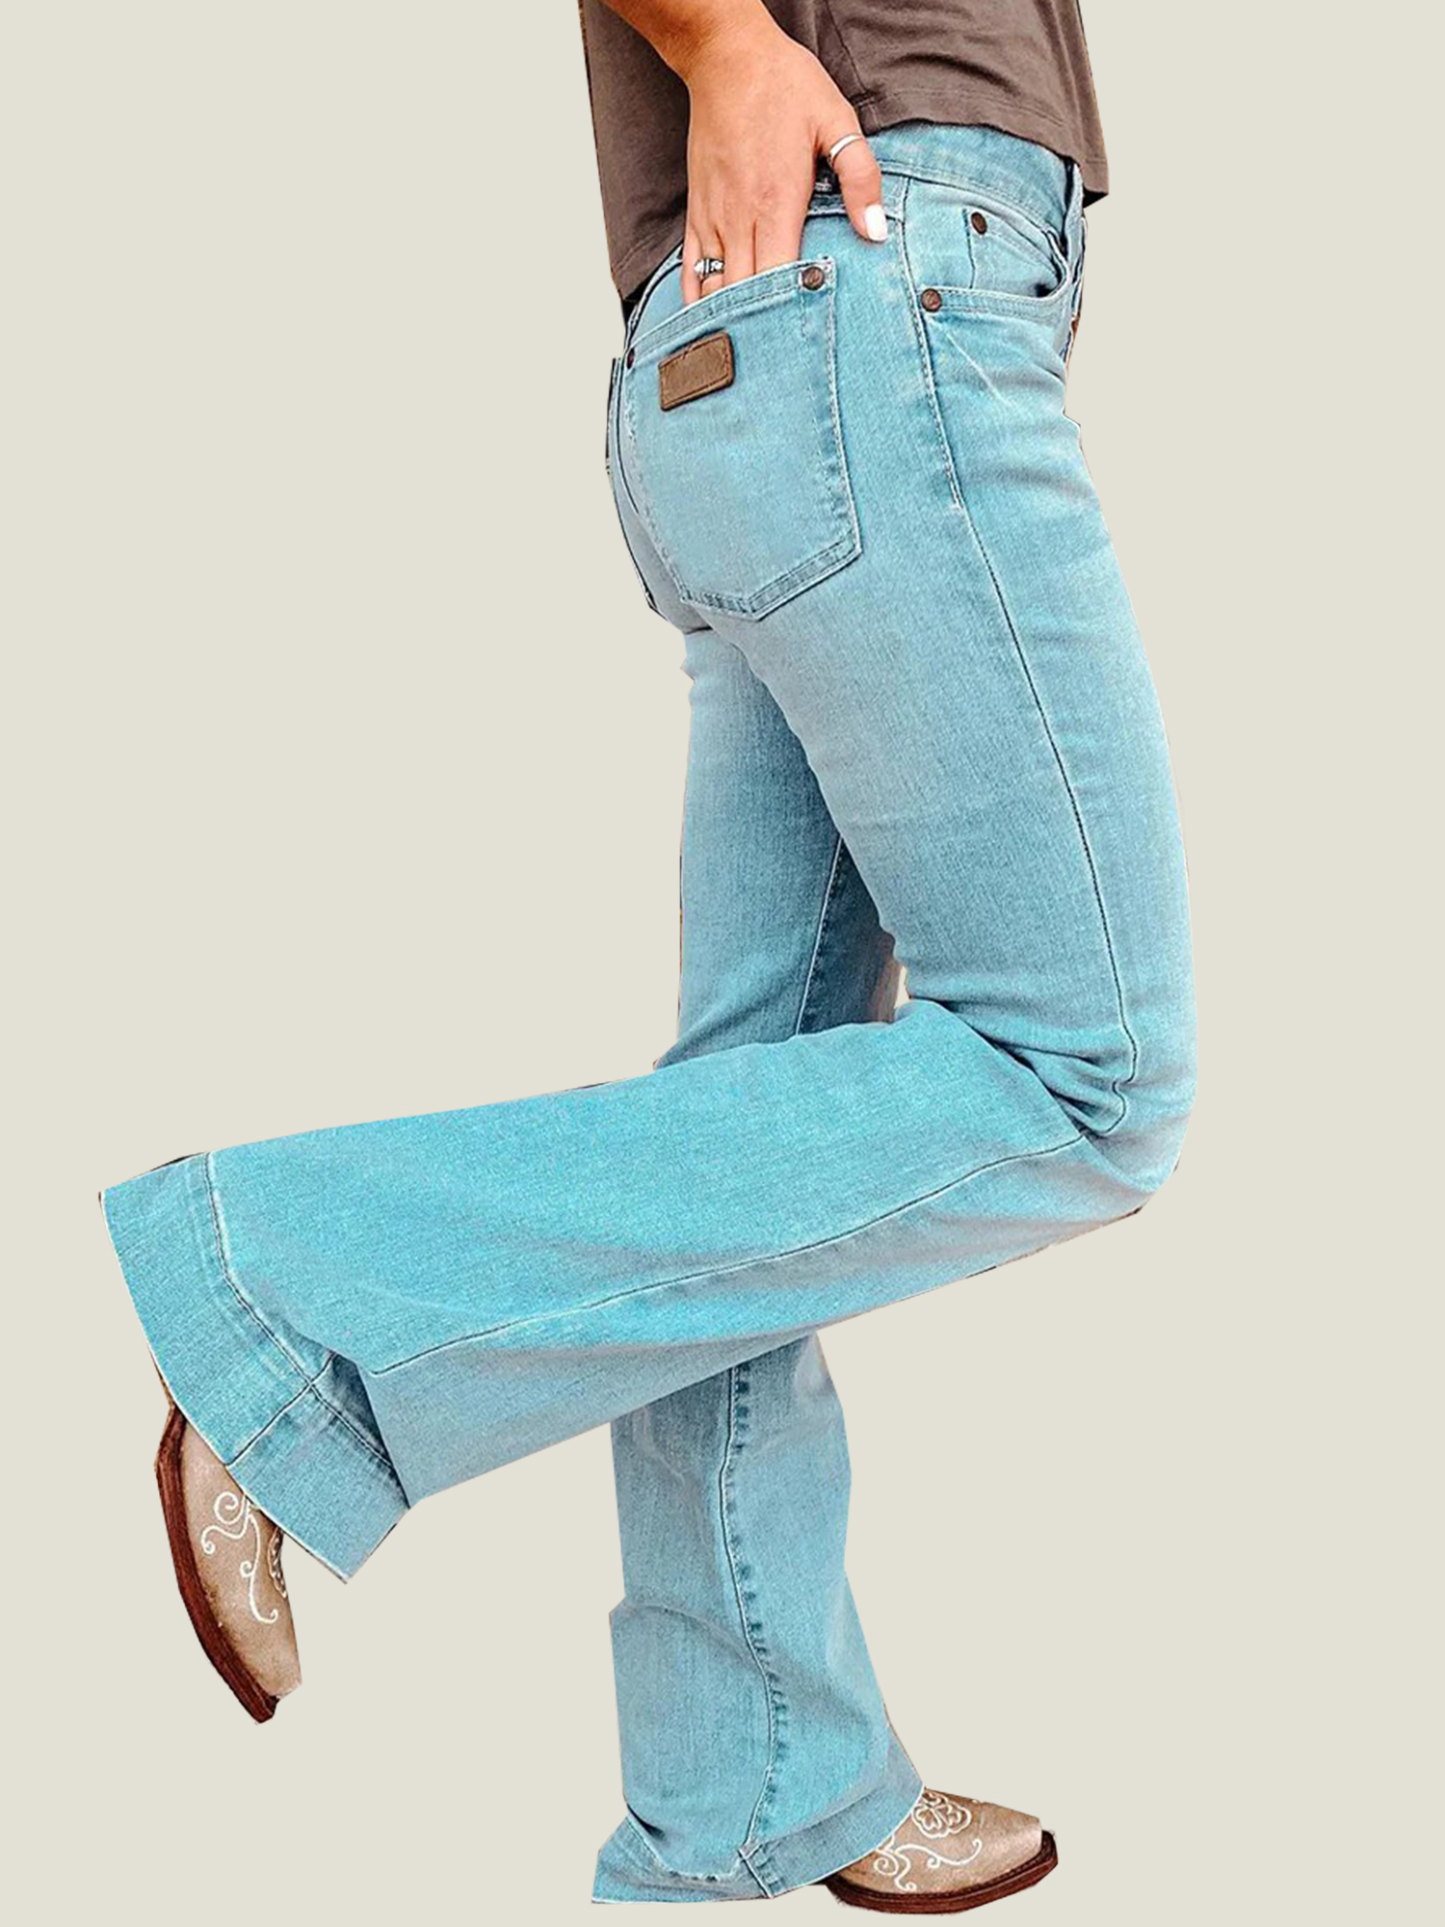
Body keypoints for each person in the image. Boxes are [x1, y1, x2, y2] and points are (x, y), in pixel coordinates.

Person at [101, 0, 1196, 1911]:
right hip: (874, 283)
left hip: (794, 335)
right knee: (1089, 1076)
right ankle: (290, 1299)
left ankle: (757, 1778)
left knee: (761, 1098)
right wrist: (727, 45)